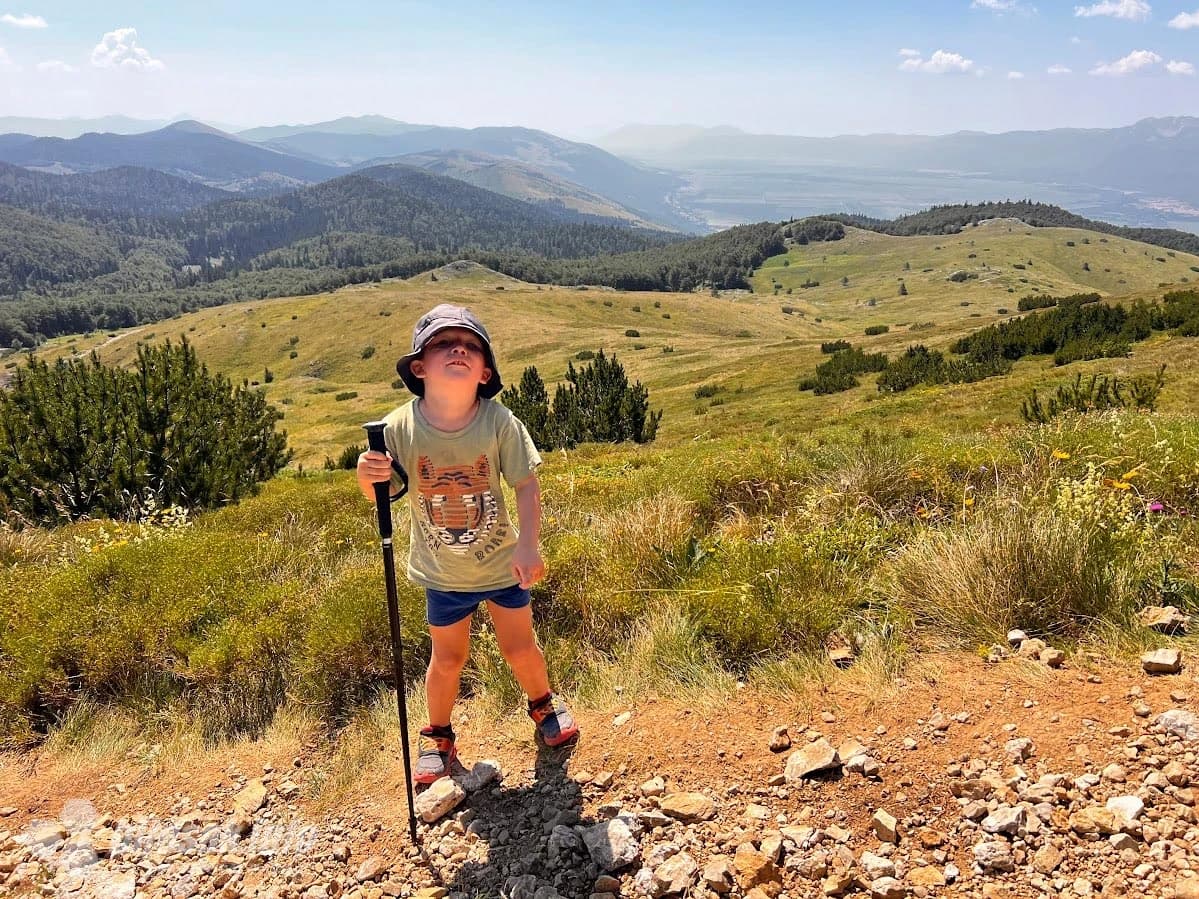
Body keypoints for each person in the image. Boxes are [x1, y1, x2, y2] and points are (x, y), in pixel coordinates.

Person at [357, 303, 578, 784]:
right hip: (443, 574)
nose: (459, 349)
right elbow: (387, 489)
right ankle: (437, 736)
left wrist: (528, 545)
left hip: (502, 566)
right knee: (447, 660)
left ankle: (543, 705)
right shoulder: (398, 428)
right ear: (420, 367)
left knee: (521, 648)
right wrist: (367, 473)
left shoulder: (499, 422)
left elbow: (525, 484)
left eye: (472, 346)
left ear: (484, 372)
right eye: (443, 343)